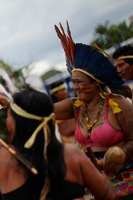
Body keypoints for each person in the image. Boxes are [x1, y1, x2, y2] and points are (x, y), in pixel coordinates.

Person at [53, 23, 133, 199]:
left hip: (127, 186)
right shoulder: (75, 107)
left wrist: (110, 161)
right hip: (98, 187)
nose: (75, 87)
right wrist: (10, 102)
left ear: (96, 81)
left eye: (80, 82)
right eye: (73, 82)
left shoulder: (117, 103)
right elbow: (40, 110)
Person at [48, 81, 80, 147]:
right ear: (55, 94)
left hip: (81, 135)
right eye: (62, 90)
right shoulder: (53, 110)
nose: (65, 92)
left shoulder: (73, 102)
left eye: (65, 89)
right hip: (68, 140)